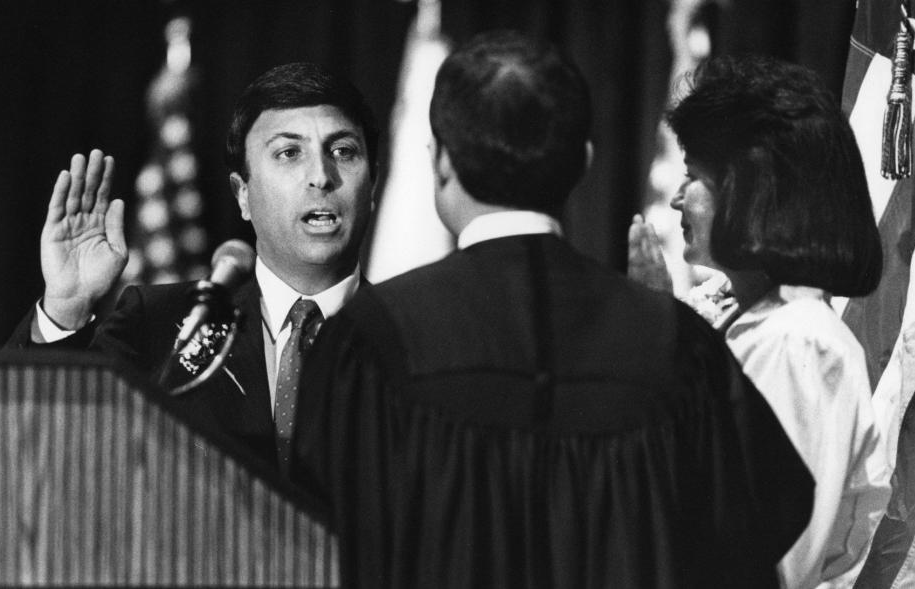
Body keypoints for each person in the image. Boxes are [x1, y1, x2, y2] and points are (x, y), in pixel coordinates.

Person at [291, 31, 814, 588]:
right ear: (583, 162)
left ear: (440, 162)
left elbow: (305, 544)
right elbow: (763, 522)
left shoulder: (372, 340)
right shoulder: (675, 343)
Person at [6, 62, 379, 475]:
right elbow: (33, 452)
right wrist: (66, 308)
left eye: (342, 151)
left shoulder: (411, 338)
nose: (321, 177)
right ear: (242, 194)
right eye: (290, 153)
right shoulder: (156, 324)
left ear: (373, 186)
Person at [630, 55, 890, 588]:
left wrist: (663, 344)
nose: (678, 197)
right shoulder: (738, 317)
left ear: (753, 190)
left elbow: (764, 551)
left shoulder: (799, 344)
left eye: (694, 176)